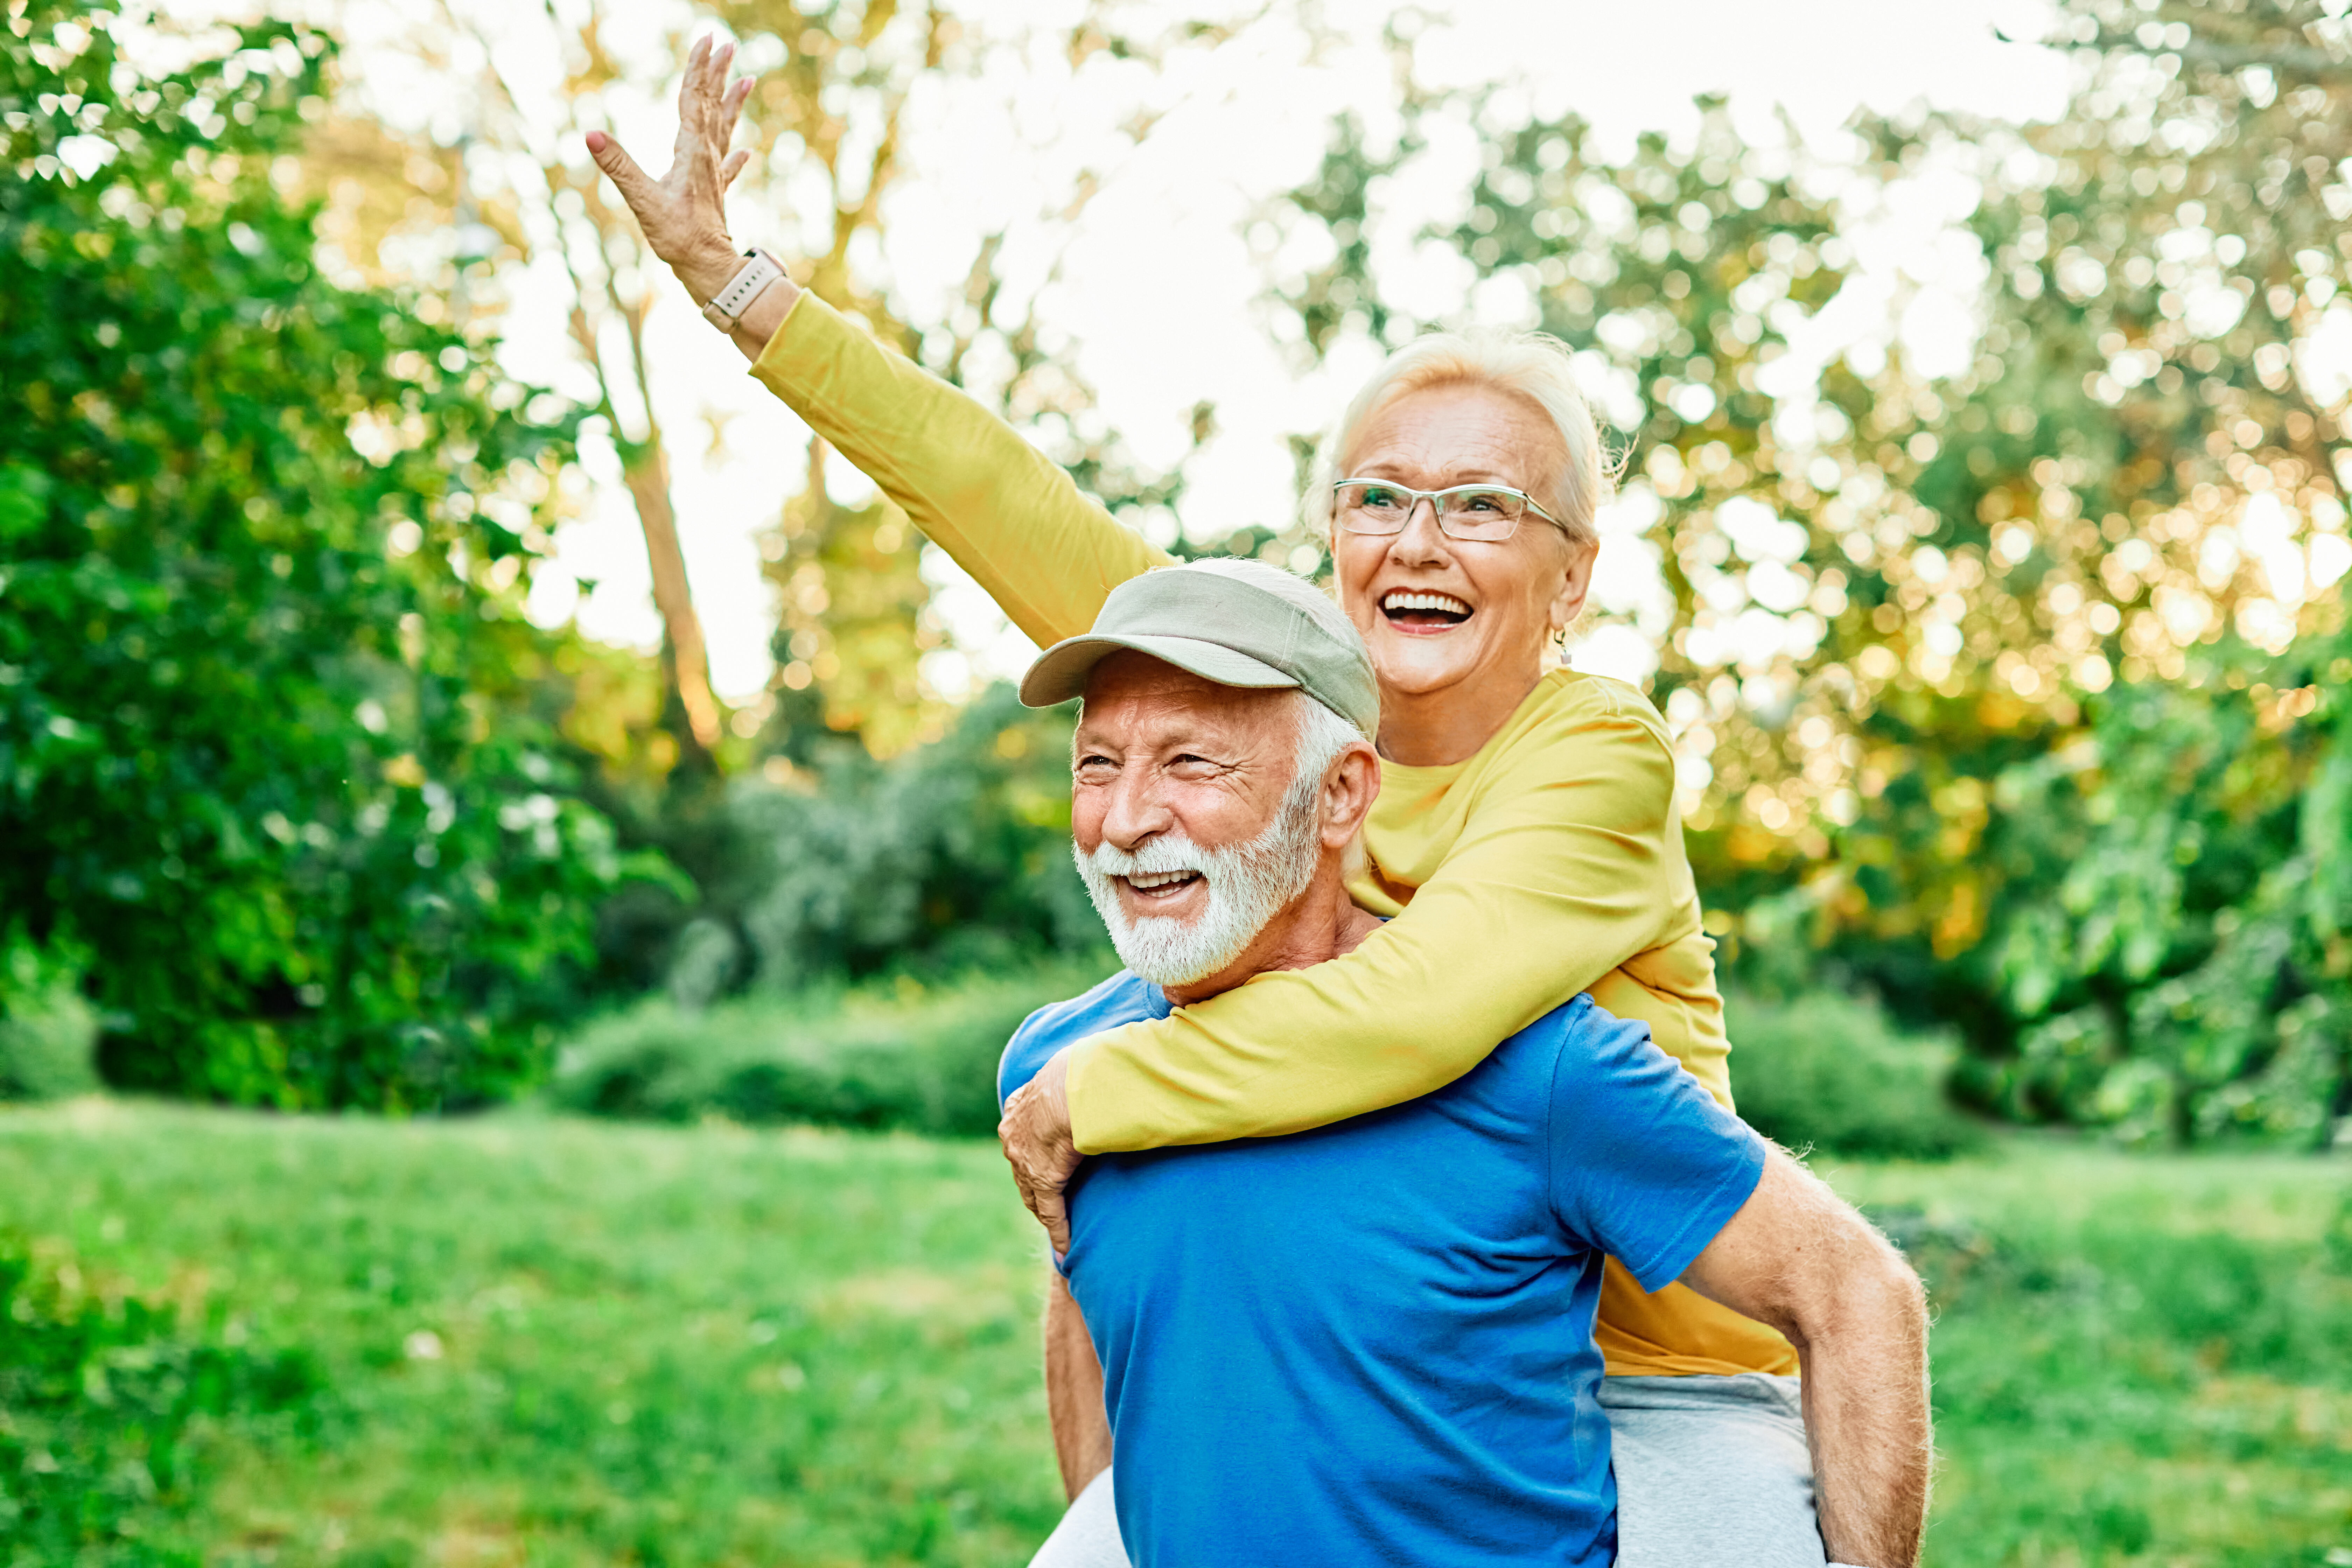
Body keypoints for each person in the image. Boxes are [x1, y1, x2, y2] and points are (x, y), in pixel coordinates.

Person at [590, 38, 1851, 1562]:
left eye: (1482, 506)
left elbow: (1417, 1008)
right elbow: (988, 487)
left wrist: (1085, 1093)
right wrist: (737, 286)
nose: (1419, 537)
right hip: (1396, 1319)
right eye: (1379, 496)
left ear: (1573, 572)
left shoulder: (1595, 754)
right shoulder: (1269, 688)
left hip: (1659, 1377)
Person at [993, 556, 1930, 1567]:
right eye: (1097, 765)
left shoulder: (1541, 1071)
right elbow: (1098, 1310)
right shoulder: (1058, 1069)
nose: (1125, 821)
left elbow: (1854, 1292)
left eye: (1190, 764)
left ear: (1341, 795)